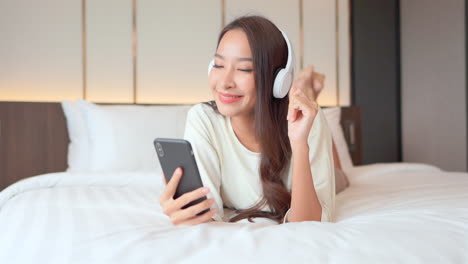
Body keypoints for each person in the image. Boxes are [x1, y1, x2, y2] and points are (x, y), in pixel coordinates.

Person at [159, 15, 335, 225]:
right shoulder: (203, 119)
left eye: (243, 69)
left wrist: (299, 144)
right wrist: (185, 212)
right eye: (218, 65)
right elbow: (204, 217)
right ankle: (304, 87)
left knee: (340, 178)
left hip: (309, 142)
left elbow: (309, 224)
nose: (224, 83)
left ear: (278, 80)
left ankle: (306, 89)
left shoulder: (305, 121)